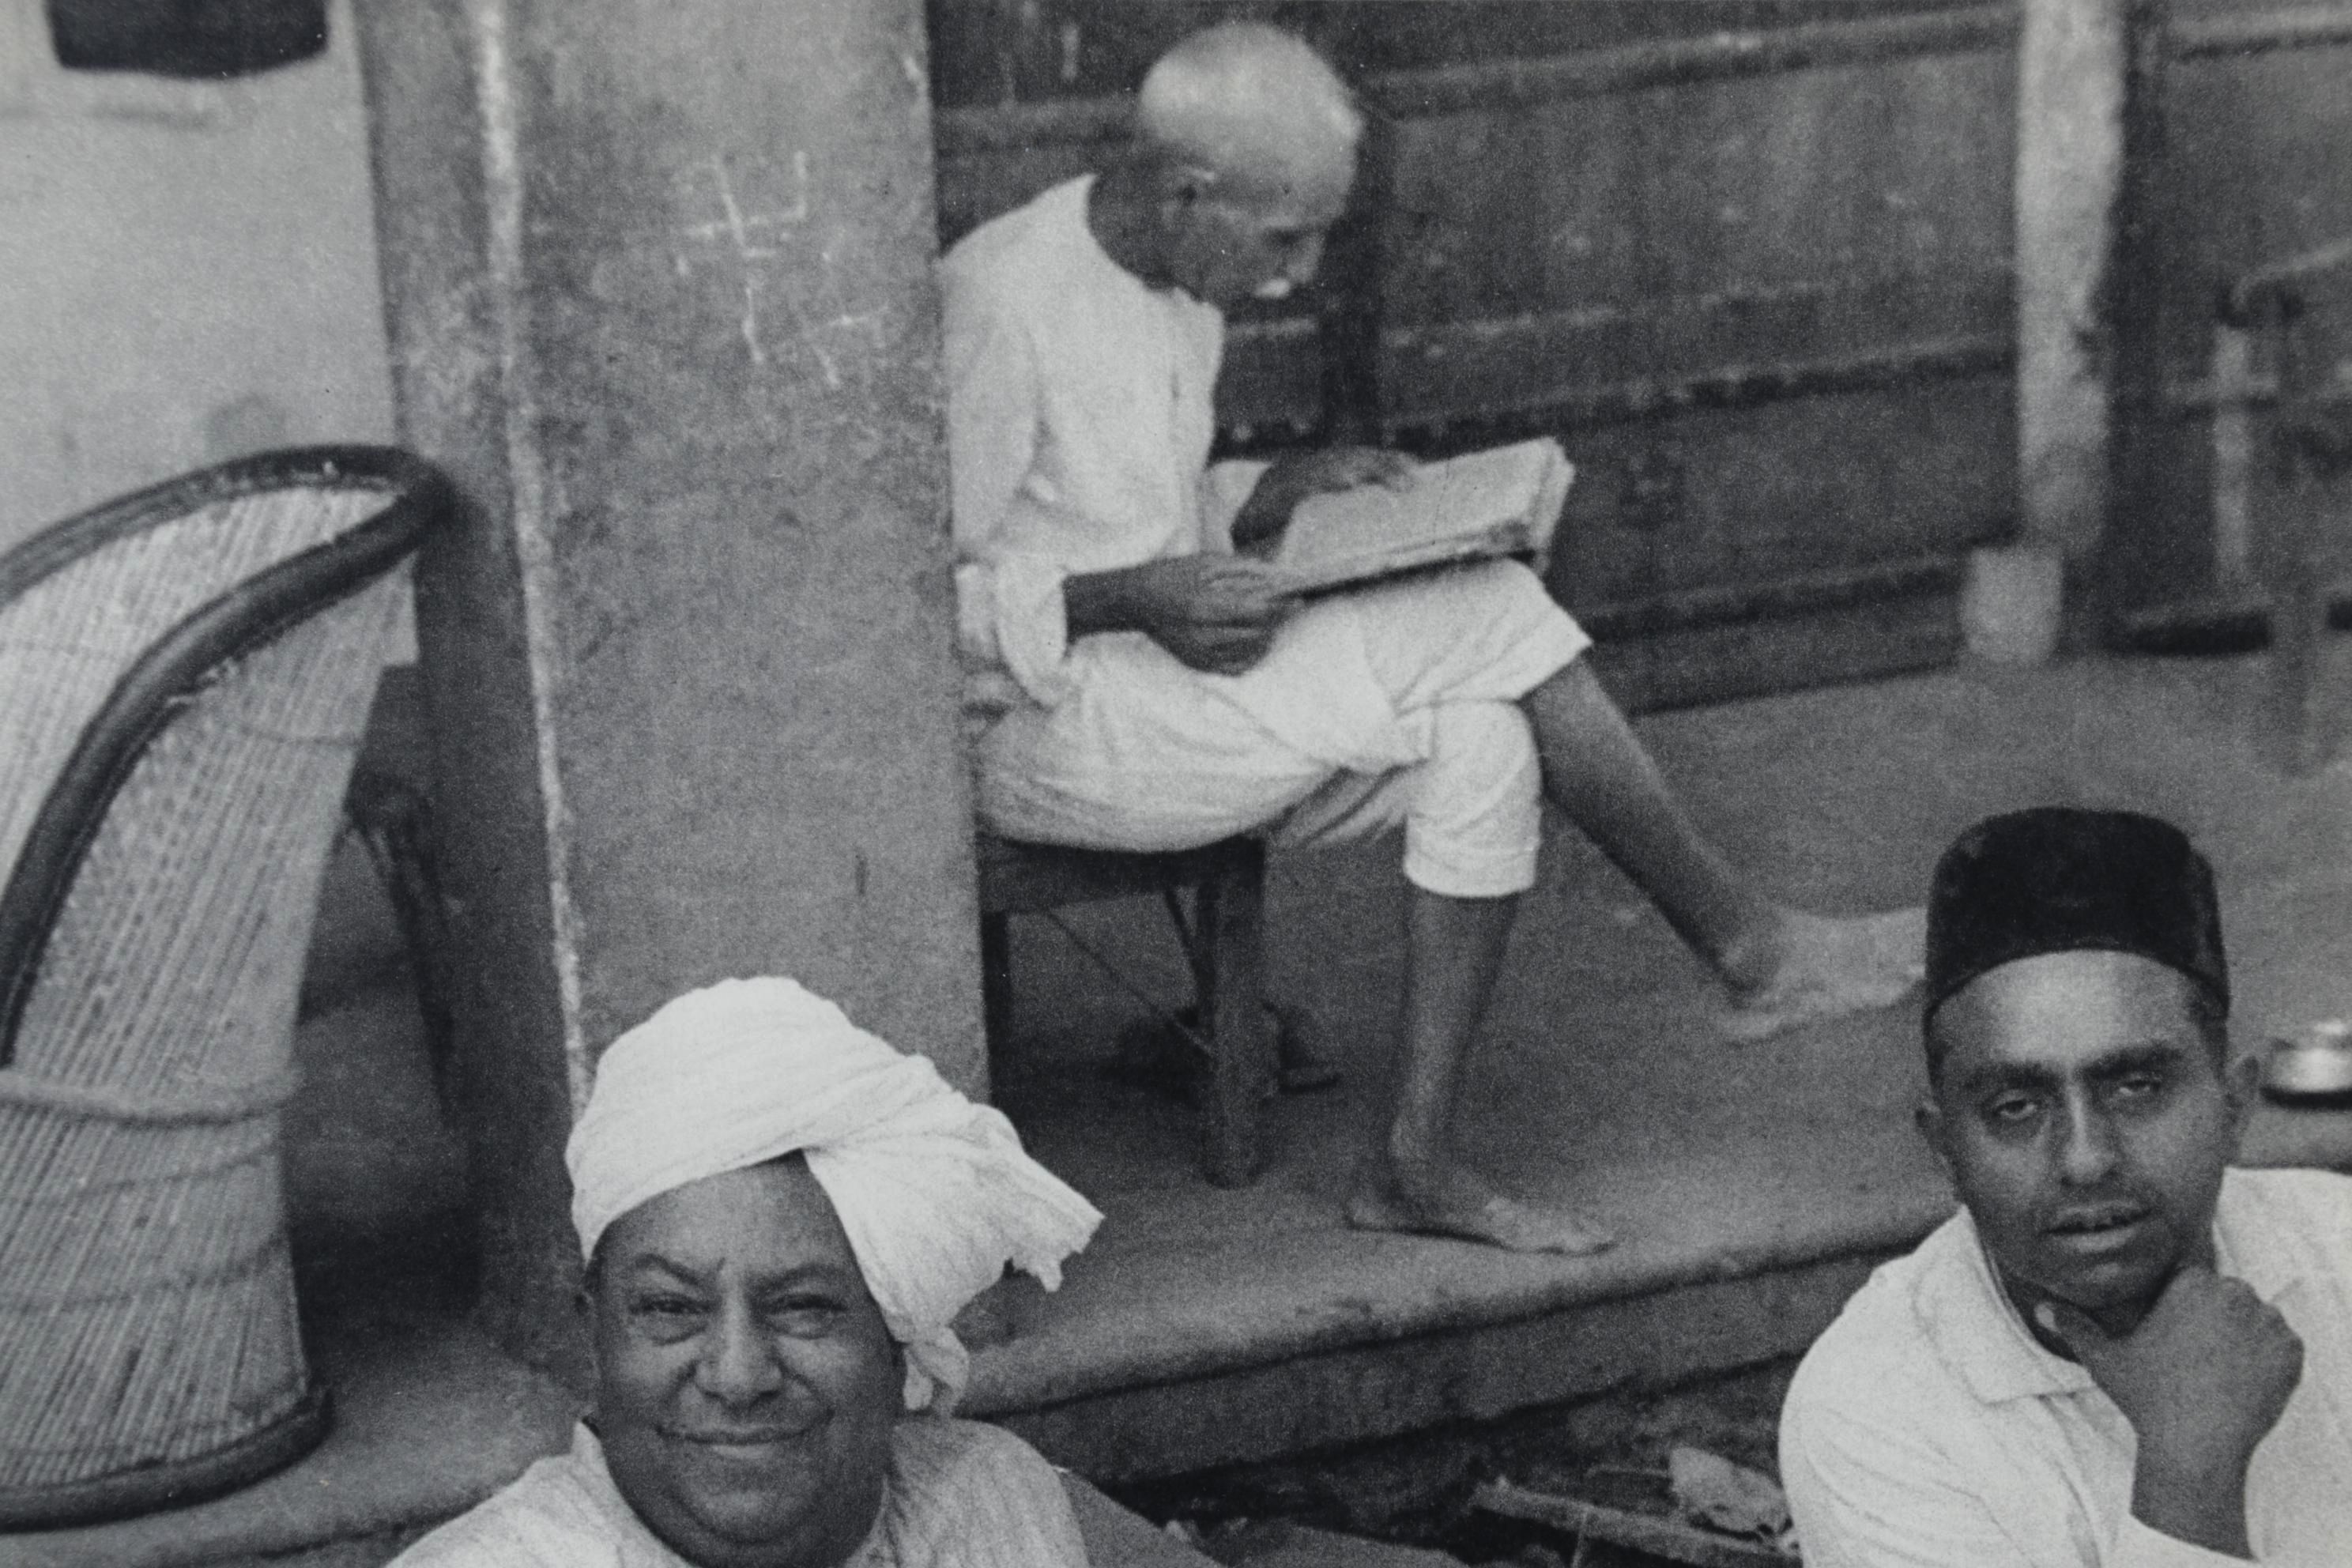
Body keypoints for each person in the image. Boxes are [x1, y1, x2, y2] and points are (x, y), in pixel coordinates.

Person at [941, 20, 1924, 1255]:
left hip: (1160, 687)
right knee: (1496, 615)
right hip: (1038, 728)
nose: (1297, 275)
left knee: (1485, 740)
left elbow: (1126, 501)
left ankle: (1414, 1161)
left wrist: (1276, 487)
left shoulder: (1179, 282)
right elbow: (916, 610)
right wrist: (1132, 600)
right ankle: (1751, 948)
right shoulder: (998, 296)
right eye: (1283, 237)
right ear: (1188, 193)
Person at [1779, 807, 2352, 1566]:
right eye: (2015, 1107)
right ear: (1946, 1148)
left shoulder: (2339, 1255)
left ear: (2234, 1104)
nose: (2085, 1159)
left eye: (2138, 1086)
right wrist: (2190, 1470)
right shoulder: (1873, 1413)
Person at [391, 977, 1105, 1568]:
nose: (737, 1377)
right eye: (670, 1310)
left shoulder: (990, 1503)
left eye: (804, 1307)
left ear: (898, 1345)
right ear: (595, 1340)